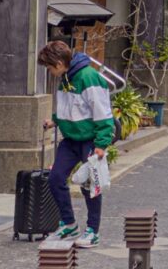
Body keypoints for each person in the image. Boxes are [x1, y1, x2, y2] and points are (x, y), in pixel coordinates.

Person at [37, 41, 114, 248]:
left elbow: (102, 111)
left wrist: (101, 144)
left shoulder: (89, 77)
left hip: (89, 139)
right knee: (55, 178)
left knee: (90, 185)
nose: (50, 72)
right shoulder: (66, 78)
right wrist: (56, 120)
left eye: (50, 68)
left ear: (60, 63)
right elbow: (69, 106)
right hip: (71, 138)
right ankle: (69, 224)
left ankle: (92, 231)